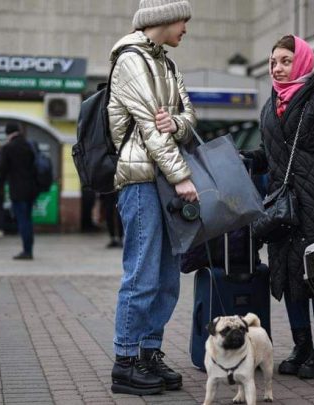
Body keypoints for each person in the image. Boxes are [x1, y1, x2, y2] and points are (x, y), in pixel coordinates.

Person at [243, 35, 314, 379]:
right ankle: (302, 345)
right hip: (283, 209)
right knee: (290, 276)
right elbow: (272, 156)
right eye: (273, 62)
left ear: (303, 63)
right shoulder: (269, 107)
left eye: (285, 61)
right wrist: (248, 158)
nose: (277, 68)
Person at [107, 0, 197, 395]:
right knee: (142, 273)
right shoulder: (130, 59)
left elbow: (189, 119)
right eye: (183, 20)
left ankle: (148, 353)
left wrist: (176, 120)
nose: (186, 29)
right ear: (163, 18)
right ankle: (125, 361)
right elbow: (149, 127)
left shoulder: (169, 64)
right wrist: (182, 177)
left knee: (166, 276)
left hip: (163, 179)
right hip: (142, 179)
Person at [0, 122, 38, 260]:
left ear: (8, 133)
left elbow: (2, 169)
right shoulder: (29, 145)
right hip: (31, 189)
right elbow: (34, 167)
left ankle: (27, 251)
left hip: (17, 190)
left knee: (22, 220)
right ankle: (29, 248)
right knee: (28, 219)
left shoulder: (8, 148)